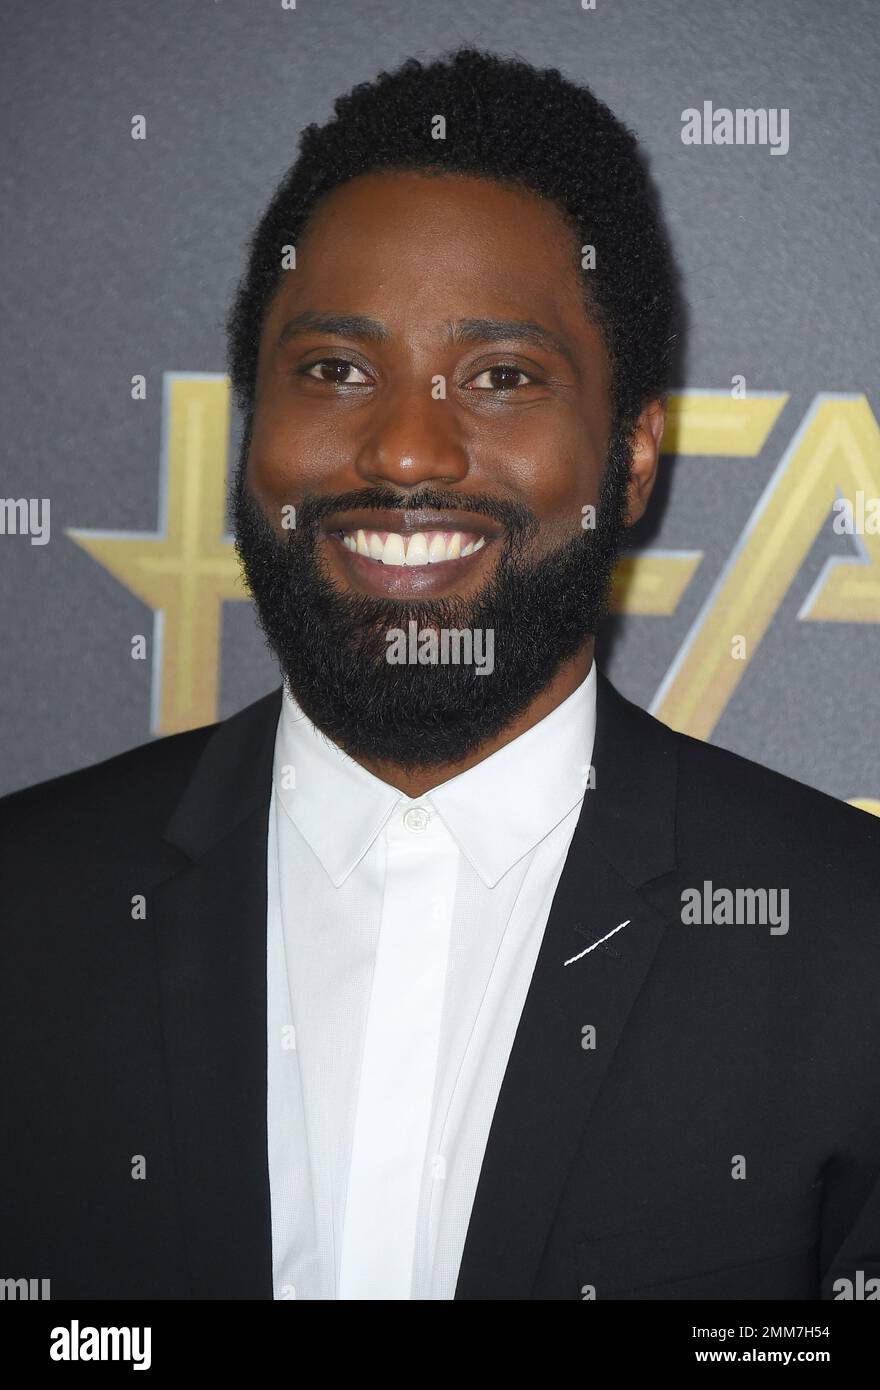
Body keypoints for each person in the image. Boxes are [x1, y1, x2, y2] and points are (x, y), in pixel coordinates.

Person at [2, 47, 878, 1302]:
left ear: (633, 456)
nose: (406, 446)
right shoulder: (25, 915)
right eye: (336, 370)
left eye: (501, 377)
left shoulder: (851, 952)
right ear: (253, 425)